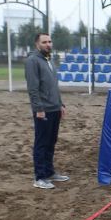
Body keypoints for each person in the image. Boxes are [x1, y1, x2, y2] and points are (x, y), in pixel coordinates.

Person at [25, 33, 69, 189]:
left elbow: (53, 86)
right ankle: (40, 177)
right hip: (43, 110)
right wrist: (38, 109)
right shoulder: (32, 61)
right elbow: (33, 88)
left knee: (51, 142)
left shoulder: (49, 60)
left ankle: (50, 172)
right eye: (44, 42)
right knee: (42, 143)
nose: (48, 44)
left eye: (50, 41)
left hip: (54, 108)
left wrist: (60, 104)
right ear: (37, 44)